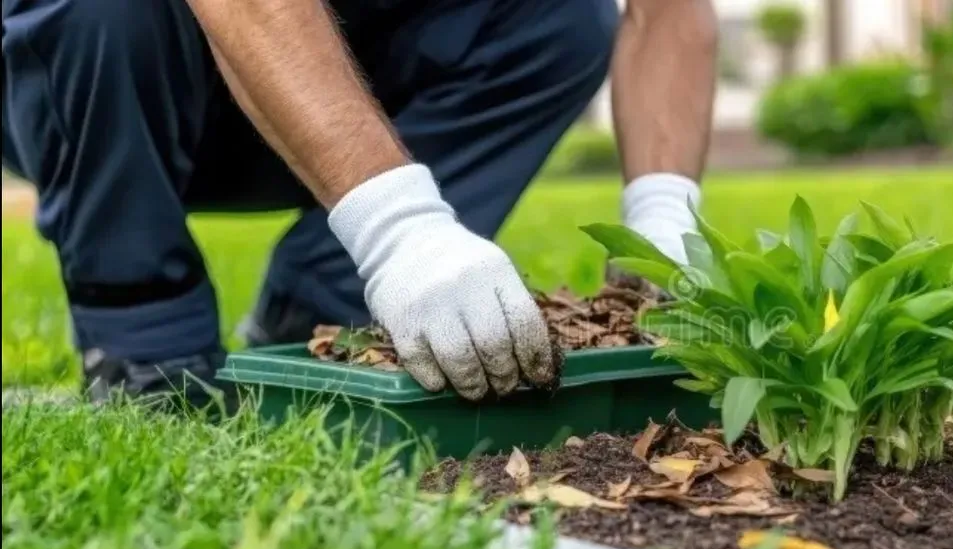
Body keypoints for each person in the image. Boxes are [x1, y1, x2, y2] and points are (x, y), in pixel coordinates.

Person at [1, 0, 718, 407]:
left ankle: (319, 319)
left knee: (563, 19)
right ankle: (146, 354)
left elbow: (669, 10)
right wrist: (397, 226)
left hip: (327, 84)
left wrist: (663, 215)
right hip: (98, 62)